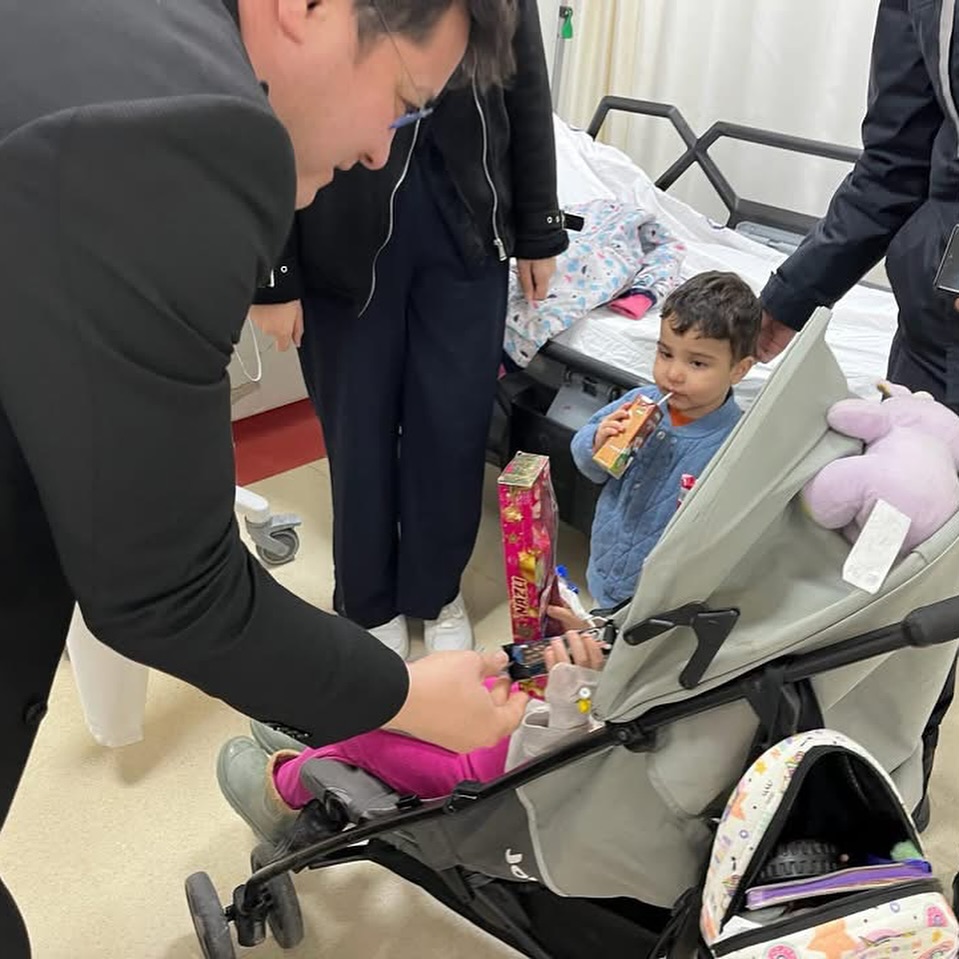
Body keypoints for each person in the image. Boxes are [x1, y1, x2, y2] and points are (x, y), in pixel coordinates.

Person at [0, 2, 529, 954]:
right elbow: (169, 590)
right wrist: (407, 697)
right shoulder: (190, 131)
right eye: (400, 101)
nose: (379, 150)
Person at [248, 0, 566, 658]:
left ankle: (436, 588)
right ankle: (365, 599)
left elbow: (523, 69)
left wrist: (538, 224)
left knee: (453, 423)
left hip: (467, 218)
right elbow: (270, 91)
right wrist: (273, 272)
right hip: (337, 212)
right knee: (357, 426)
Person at [754, 0, 959, 829]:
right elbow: (897, 158)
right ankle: (886, 777)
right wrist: (790, 295)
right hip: (931, 340)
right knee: (897, 587)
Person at [218, 629, 607, 845]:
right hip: (557, 727)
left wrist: (576, 702)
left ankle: (280, 799)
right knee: (439, 689)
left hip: (523, 775)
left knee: (370, 726)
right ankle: (326, 746)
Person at [571, 272, 760, 610]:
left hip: (664, 597)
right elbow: (589, 465)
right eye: (665, 353)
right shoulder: (638, 401)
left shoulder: (735, 444)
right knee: (599, 624)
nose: (673, 374)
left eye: (697, 363)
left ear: (739, 370)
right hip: (605, 563)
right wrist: (597, 442)